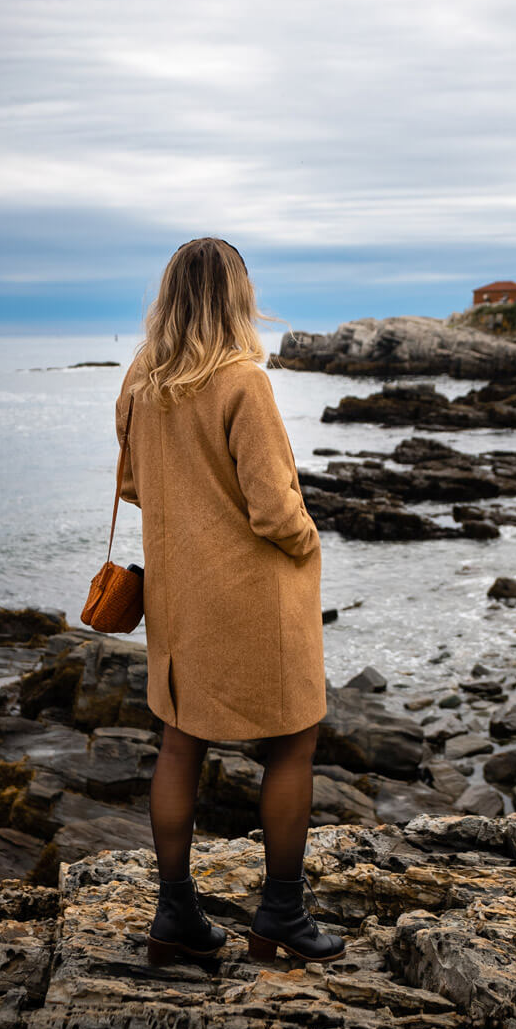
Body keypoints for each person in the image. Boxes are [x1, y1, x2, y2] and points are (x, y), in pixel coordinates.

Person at [113, 236, 345, 966]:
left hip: (180, 596)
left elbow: (132, 487)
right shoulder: (243, 381)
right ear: (236, 298)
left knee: (181, 743)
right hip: (254, 602)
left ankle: (174, 915)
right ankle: (279, 913)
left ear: (172, 297)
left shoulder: (141, 382)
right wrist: (309, 541)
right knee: (293, 743)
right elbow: (275, 511)